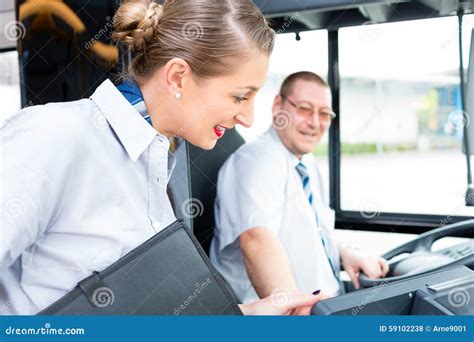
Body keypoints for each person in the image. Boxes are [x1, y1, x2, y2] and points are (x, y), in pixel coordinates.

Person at [0, 0, 323, 315]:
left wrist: (248, 315)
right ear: (178, 77)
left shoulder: (154, 166)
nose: (249, 119)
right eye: (239, 97)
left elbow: (143, 313)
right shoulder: (53, 136)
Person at [210, 71, 389, 304]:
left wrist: (345, 253)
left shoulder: (304, 162)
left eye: (324, 114)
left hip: (324, 304)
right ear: (278, 105)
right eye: (304, 109)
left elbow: (310, 232)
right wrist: (294, 312)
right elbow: (257, 239)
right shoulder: (257, 160)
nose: (315, 122)